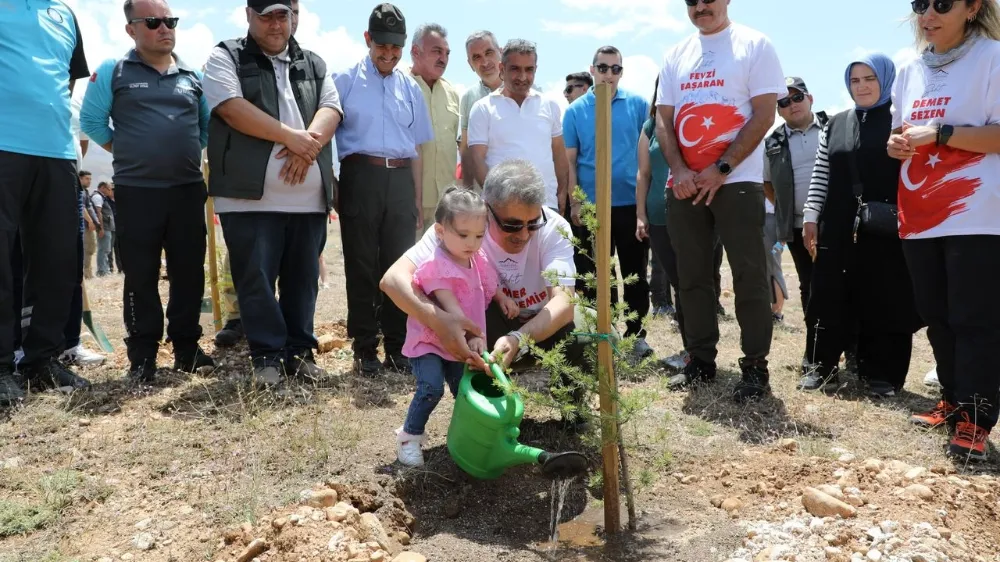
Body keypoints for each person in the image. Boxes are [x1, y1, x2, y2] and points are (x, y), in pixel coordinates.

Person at [204, 0, 342, 385]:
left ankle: (299, 352)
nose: (275, 24)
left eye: (282, 15)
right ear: (248, 15)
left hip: (308, 201)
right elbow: (231, 108)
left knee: (302, 281)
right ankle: (266, 356)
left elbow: (331, 108)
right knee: (256, 280)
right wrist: (291, 138)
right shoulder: (225, 56)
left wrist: (308, 146)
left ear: (292, 17)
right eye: (266, 16)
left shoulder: (313, 62)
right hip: (248, 198)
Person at [655, 0, 785, 401]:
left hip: (737, 182)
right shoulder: (676, 54)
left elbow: (765, 114)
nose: (701, 6)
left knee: (748, 277)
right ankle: (700, 360)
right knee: (691, 277)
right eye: (692, 2)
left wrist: (723, 168)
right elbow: (663, 118)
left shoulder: (754, 44)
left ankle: (754, 368)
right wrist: (678, 170)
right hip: (686, 186)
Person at [888, 0, 1000, 460]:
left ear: (973, 7)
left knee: (973, 318)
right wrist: (896, 145)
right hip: (919, 213)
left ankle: (976, 418)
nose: (928, 13)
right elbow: (901, 136)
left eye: (942, 4)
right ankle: (953, 401)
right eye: (920, 4)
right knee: (935, 313)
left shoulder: (992, 57)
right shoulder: (908, 69)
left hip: (977, 213)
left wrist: (940, 132)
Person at [82, 0, 215, 382]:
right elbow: (93, 120)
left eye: (169, 21)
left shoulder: (192, 75)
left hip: (188, 190)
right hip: (138, 192)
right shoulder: (114, 70)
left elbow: (204, 127)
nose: (164, 28)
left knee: (189, 272)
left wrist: (180, 153)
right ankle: (143, 356)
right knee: (140, 275)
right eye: (153, 22)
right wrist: (130, 151)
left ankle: (187, 348)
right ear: (131, 30)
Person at [802, 54, 922, 398]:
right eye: (855, 81)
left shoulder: (904, 122)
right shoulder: (835, 124)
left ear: (885, 80)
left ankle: (881, 375)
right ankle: (819, 366)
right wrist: (811, 215)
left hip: (886, 228)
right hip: (837, 225)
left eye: (869, 78)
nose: (862, 86)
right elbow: (820, 175)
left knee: (886, 297)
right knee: (826, 296)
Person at [0, 0, 93, 405]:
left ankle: (41, 360)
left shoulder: (66, 14)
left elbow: (67, 82)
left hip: (56, 152)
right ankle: (2, 367)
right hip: (3, 147)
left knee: (59, 259)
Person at [334, 3, 432, 376]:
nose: (389, 55)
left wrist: (418, 199)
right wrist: (334, 184)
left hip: (401, 181)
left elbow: (418, 147)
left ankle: (397, 347)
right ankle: (364, 348)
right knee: (360, 263)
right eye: (382, 47)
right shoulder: (344, 80)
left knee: (400, 266)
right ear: (367, 40)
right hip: (360, 175)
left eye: (396, 49)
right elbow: (328, 137)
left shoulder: (411, 87)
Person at [394, 187, 519, 466]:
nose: (472, 242)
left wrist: (501, 297)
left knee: (462, 389)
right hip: (432, 339)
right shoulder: (437, 264)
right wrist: (474, 335)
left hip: (458, 341)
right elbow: (452, 311)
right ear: (440, 231)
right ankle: (409, 437)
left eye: (478, 235)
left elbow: (488, 283)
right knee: (431, 386)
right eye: (463, 235)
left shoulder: (477, 259)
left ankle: (466, 438)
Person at [564, 45, 653, 358]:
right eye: (603, 68)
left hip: (630, 203)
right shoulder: (575, 111)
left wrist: (645, 207)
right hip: (591, 206)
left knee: (634, 272)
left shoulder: (640, 105)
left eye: (616, 69)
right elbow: (571, 163)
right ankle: (600, 334)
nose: (609, 74)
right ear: (592, 71)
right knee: (593, 274)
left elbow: (648, 157)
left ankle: (635, 336)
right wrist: (575, 203)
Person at [467, 39, 569, 212]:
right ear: (502, 69)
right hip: (502, 211)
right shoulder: (483, 108)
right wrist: (498, 200)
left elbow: (558, 152)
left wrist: (562, 191)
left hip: (546, 206)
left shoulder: (549, 105)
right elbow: (477, 159)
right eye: (515, 69)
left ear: (535, 70)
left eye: (529, 70)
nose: (523, 77)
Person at [764, 77, 829, 345]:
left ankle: (851, 350)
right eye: (784, 102)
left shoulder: (835, 127)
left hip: (835, 222)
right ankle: (815, 347)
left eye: (797, 97)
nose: (792, 105)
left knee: (844, 284)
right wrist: (787, 211)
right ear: (778, 109)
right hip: (798, 227)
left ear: (810, 98)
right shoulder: (772, 141)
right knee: (809, 286)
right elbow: (767, 183)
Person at [409, 23, 460, 233]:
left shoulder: (452, 93)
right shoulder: (400, 86)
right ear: (415, 52)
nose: (444, 59)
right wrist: (414, 199)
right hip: (412, 202)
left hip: (446, 203)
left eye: (447, 53)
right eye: (436, 51)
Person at [459, 30, 502, 188]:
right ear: (470, 64)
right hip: (482, 193)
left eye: (489, 52)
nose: (484, 62)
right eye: (476, 57)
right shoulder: (468, 97)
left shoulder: (526, 91)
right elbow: (465, 148)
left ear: (501, 52)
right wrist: (467, 190)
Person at [89, 182, 115, 277]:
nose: (110, 191)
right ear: (103, 188)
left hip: (108, 226)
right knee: (103, 249)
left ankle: (105, 269)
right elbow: (98, 213)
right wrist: (101, 228)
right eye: (108, 188)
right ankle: (102, 271)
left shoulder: (102, 197)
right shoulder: (97, 197)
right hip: (105, 227)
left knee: (106, 249)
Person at [80, 170, 100, 279]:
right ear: (80, 179)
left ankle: (88, 273)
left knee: (90, 249)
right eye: (87, 178)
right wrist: (90, 221)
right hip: (82, 225)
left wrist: (96, 222)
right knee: (85, 249)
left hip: (88, 225)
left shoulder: (85, 192)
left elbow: (89, 207)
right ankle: (85, 274)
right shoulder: (79, 191)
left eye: (90, 179)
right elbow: (81, 208)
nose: (89, 181)